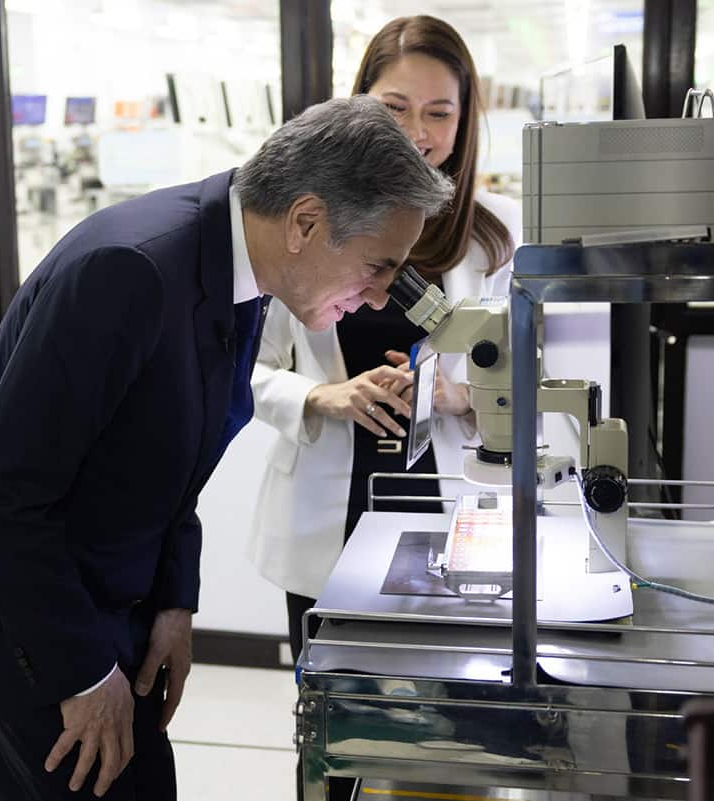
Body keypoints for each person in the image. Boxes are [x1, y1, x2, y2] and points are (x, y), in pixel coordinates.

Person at [0, 95, 453, 801]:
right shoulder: (130, 271)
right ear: (306, 222)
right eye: (379, 267)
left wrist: (173, 602)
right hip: (0, 592)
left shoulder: (242, 266)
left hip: (94, 572)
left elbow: (179, 455)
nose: (383, 296)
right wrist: (83, 674)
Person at [249, 15, 523, 660]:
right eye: (394, 107)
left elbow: (524, 381)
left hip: (447, 490)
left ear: (463, 125)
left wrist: (453, 396)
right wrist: (328, 398)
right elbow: (247, 368)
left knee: (440, 698)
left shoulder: (498, 235)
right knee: (329, 712)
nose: (416, 133)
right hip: (330, 498)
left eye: (439, 113)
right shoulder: (302, 219)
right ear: (358, 105)